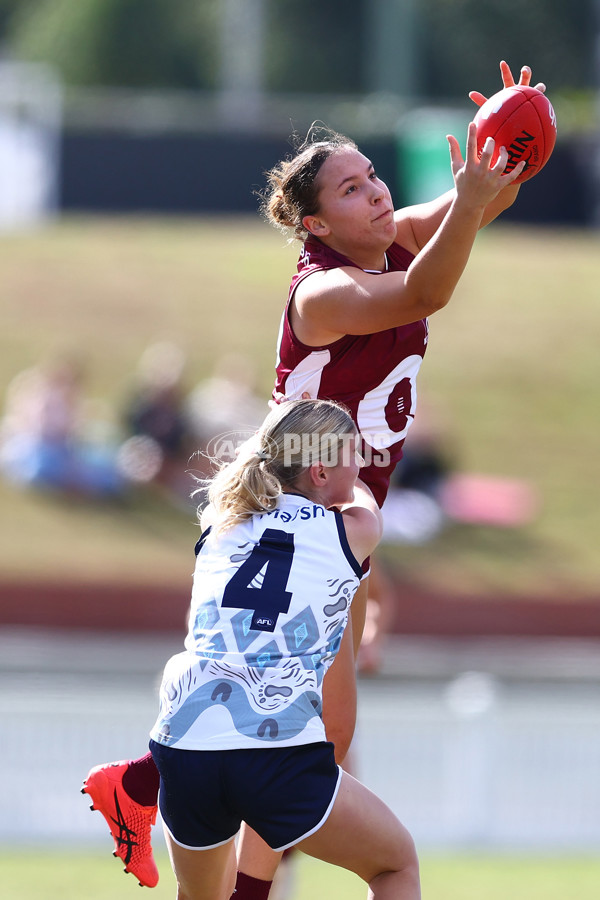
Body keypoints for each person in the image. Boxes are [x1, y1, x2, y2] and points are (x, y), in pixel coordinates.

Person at [82, 60, 547, 894]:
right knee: (314, 731)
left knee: (322, 732)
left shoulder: (389, 238)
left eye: (374, 177)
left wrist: (502, 150)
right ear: (314, 223)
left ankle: (155, 787)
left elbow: (470, 210)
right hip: (295, 514)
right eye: (352, 189)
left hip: (335, 517)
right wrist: (474, 202)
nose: (375, 194)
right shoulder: (322, 292)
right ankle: (155, 789)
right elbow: (429, 289)